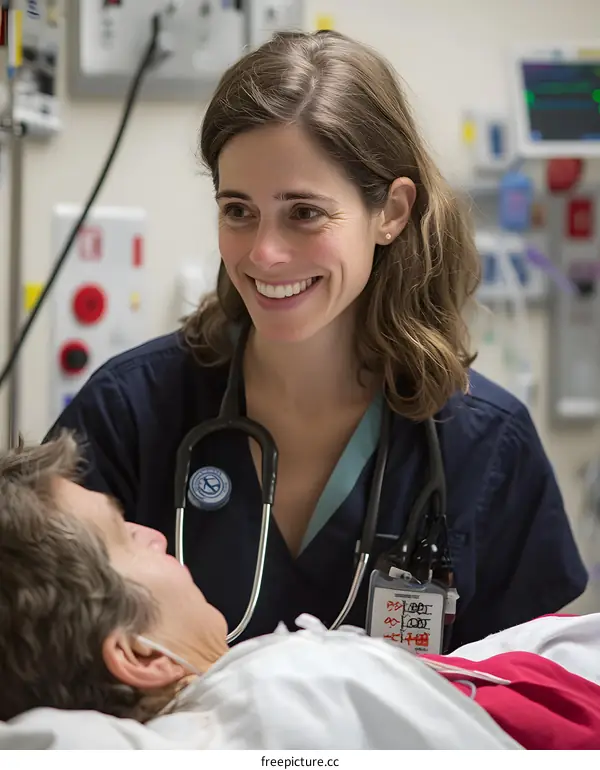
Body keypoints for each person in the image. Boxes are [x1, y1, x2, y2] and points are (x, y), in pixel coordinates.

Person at [44, 30, 587, 651]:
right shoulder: (129, 414)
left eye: (304, 212)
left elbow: (534, 710)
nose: (263, 253)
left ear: (391, 212)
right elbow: (44, 653)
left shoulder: (485, 446)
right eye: (238, 210)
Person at [1, 434, 600, 751]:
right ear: (141, 654)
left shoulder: (258, 687)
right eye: (125, 537)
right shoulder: (279, 706)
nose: (156, 533)